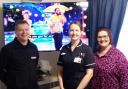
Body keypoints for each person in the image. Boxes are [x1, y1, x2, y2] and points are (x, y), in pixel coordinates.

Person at [0, 20, 39, 89]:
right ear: (15, 32)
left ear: (29, 31)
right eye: (21, 30)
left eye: (26, 29)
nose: (24, 32)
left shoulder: (34, 47)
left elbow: (34, 66)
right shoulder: (7, 49)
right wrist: (10, 82)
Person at [57, 21, 95, 89]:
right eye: (71, 30)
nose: (74, 33)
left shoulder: (87, 49)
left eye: (77, 30)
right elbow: (59, 71)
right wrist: (61, 87)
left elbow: (89, 74)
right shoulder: (64, 49)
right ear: (68, 32)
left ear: (80, 32)